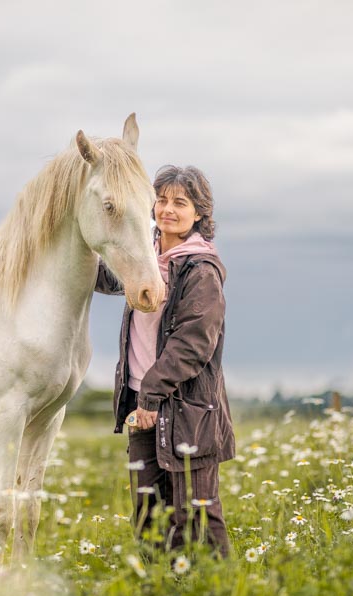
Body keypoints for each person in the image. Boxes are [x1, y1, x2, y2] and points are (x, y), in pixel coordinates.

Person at [95, 164, 235, 557]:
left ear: (199, 213)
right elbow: (103, 276)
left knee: (195, 514)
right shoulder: (144, 259)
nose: (167, 209)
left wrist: (151, 397)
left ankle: (216, 588)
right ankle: (157, 589)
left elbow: (193, 344)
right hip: (143, 405)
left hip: (187, 410)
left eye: (180, 203)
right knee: (148, 515)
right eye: (161, 200)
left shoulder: (201, 270)